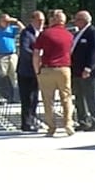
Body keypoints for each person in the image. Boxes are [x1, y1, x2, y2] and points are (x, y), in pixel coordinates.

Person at [32, 9, 75, 137]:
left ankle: (51, 127)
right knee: (66, 98)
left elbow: (36, 54)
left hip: (47, 69)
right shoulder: (69, 35)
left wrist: (37, 70)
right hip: (64, 69)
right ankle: (68, 124)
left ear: (54, 20)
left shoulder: (45, 34)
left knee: (48, 100)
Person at [70, 10, 95, 132]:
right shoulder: (78, 33)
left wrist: (88, 68)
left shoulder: (93, 33)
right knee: (79, 97)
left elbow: (94, 52)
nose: (75, 21)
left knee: (91, 97)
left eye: (77, 19)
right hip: (76, 71)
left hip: (87, 72)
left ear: (84, 20)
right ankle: (83, 121)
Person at [17, 10, 45, 132]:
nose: (41, 23)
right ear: (32, 20)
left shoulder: (42, 33)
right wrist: (38, 57)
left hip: (37, 70)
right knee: (27, 98)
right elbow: (25, 50)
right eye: (39, 20)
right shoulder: (26, 33)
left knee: (35, 97)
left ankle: (32, 120)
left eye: (43, 20)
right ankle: (26, 123)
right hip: (26, 70)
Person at [0, 13, 22, 105]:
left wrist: (16, 21)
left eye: (8, 21)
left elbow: (23, 30)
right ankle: (0, 97)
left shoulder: (12, 29)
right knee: (1, 77)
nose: (7, 23)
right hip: (1, 55)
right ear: (0, 21)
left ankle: (14, 97)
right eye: (4, 21)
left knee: (14, 77)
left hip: (12, 55)